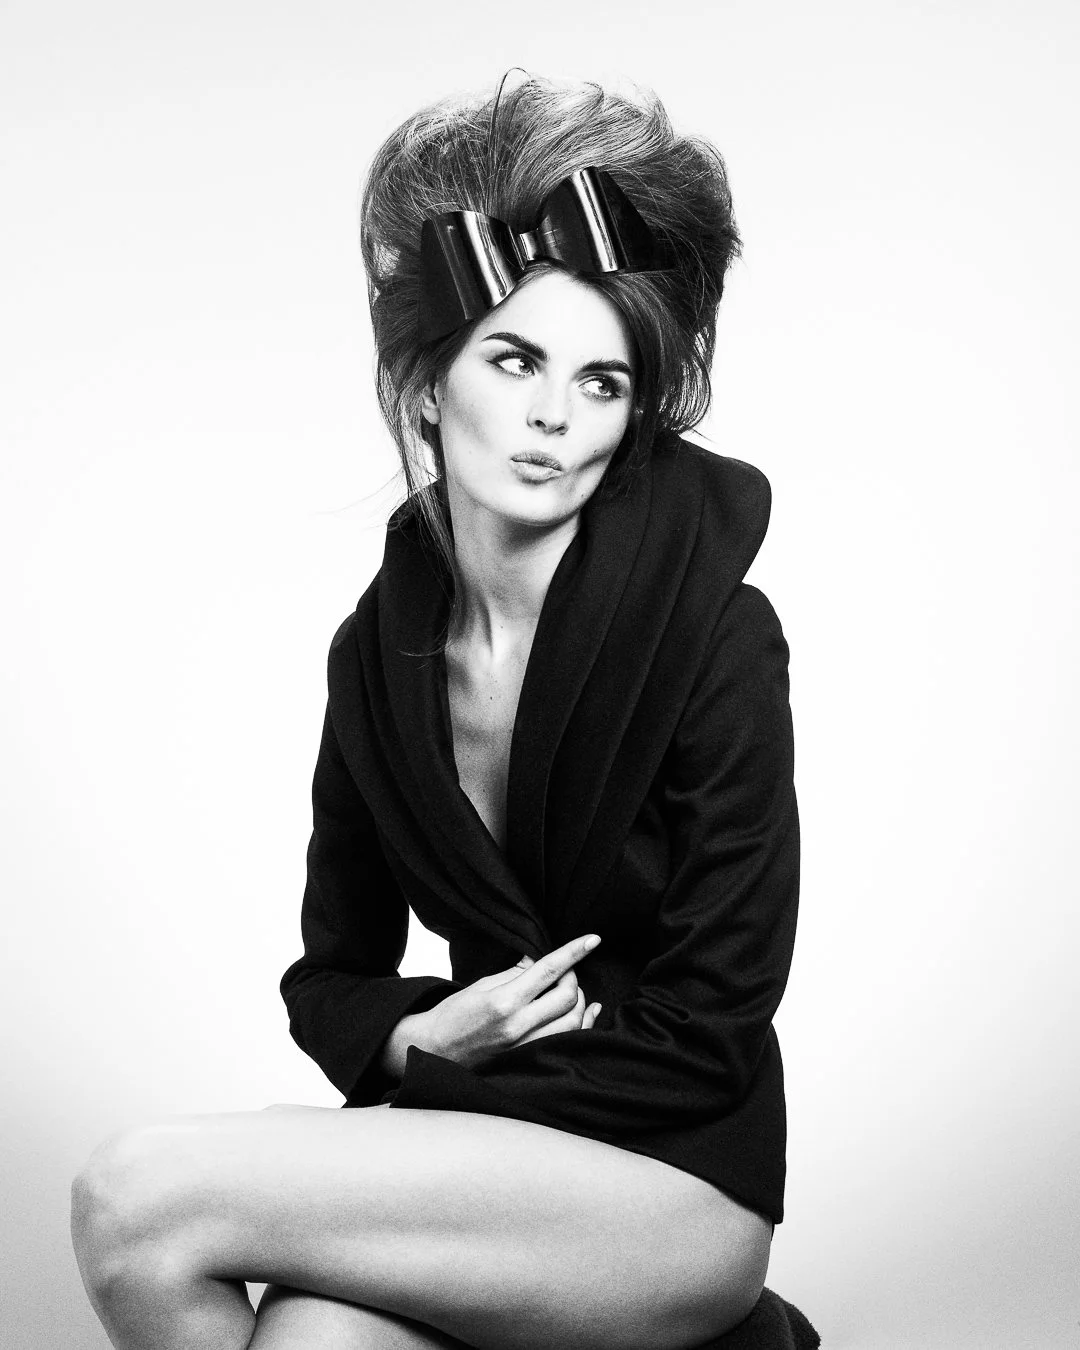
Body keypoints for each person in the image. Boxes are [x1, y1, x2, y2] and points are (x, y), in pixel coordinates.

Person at [71, 74, 816, 1350]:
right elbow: (333, 976)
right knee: (313, 1336)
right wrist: (418, 1037)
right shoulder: (374, 660)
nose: (551, 418)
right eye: (516, 360)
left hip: (678, 1182)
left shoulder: (714, 635)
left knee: (134, 1196)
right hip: (483, 1163)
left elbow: (715, 1027)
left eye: (603, 383)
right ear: (426, 382)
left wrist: (453, 1075)